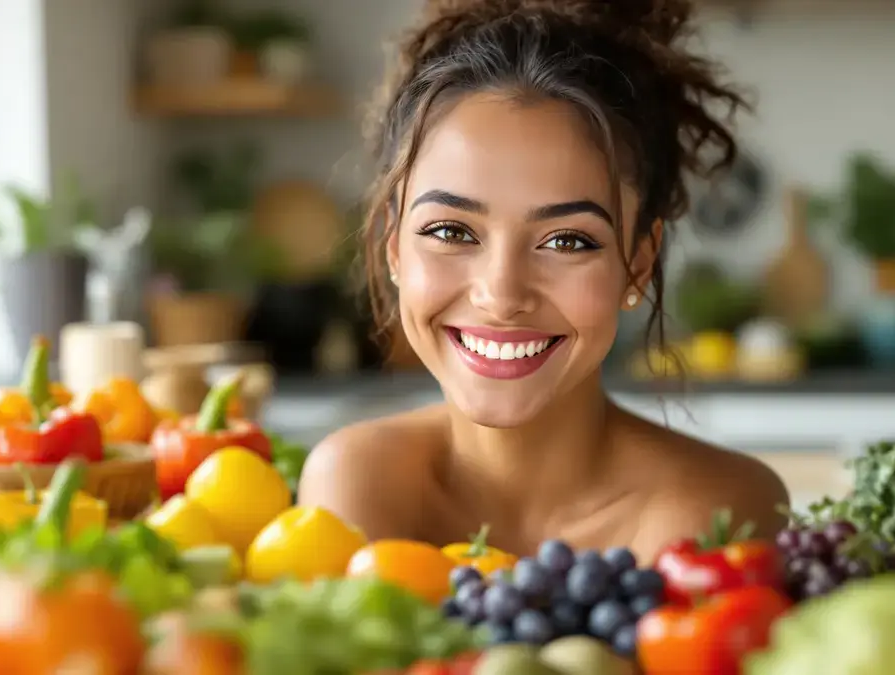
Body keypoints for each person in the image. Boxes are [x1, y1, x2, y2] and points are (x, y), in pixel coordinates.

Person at [299, 0, 789, 562]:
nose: (501, 295)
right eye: (451, 231)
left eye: (567, 241)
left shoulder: (717, 515)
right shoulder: (354, 483)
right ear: (393, 247)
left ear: (638, 262)